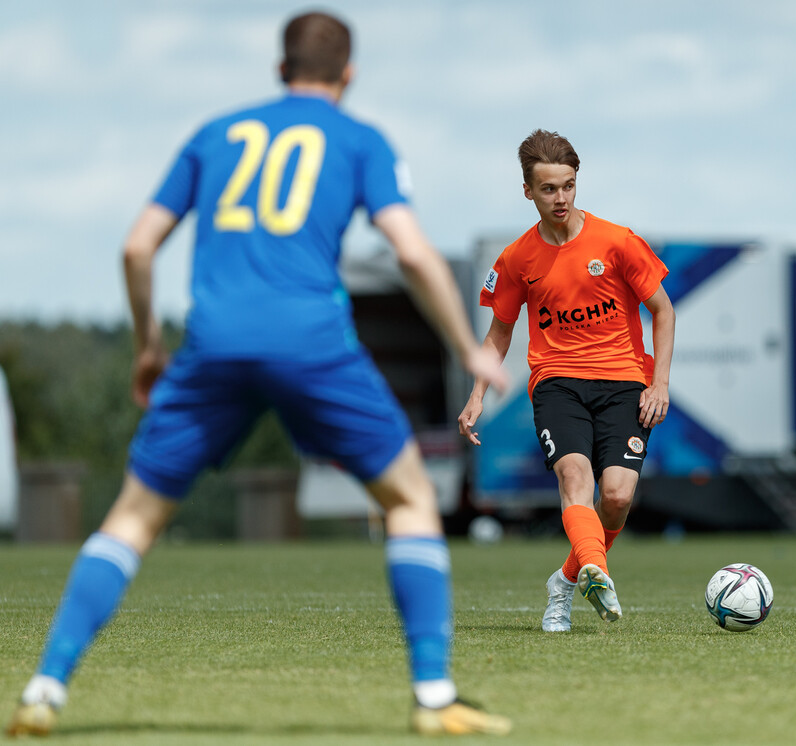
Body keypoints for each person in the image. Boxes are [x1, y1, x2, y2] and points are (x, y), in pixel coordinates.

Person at [6, 11, 512, 738]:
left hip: (213, 343)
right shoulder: (362, 139)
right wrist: (467, 344)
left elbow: (137, 247)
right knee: (407, 497)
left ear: (280, 70)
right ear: (349, 74)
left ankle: (45, 688)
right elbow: (410, 252)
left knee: (134, 517)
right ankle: (433, 698)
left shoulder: (215, 134)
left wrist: (149, 345)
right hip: (311, 342)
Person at [457, 129, 675, 632]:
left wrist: (658, 384)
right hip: (558, 383)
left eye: (569, 186)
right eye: (550, 189)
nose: (561, 198)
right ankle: (595, 572)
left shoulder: (617, 242)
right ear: (528, 191)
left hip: (624, 382)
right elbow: (499, 334)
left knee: (617, 497)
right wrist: (477, 394)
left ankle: (567, 579)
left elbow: (663, 311)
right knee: (575, 479)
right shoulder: (517, 259)